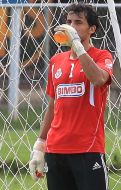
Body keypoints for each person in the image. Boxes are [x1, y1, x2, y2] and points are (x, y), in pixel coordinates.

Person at [29, 3, 113, 190]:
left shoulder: (102, 56)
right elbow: (53, 105)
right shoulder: (56, 61)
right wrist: (40, 145)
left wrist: (78, 47)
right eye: (68, 22)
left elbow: (99, 79)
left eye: (78, 22)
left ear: (92, 29)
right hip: (56, 149)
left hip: (87, 149)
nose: (71, 27)